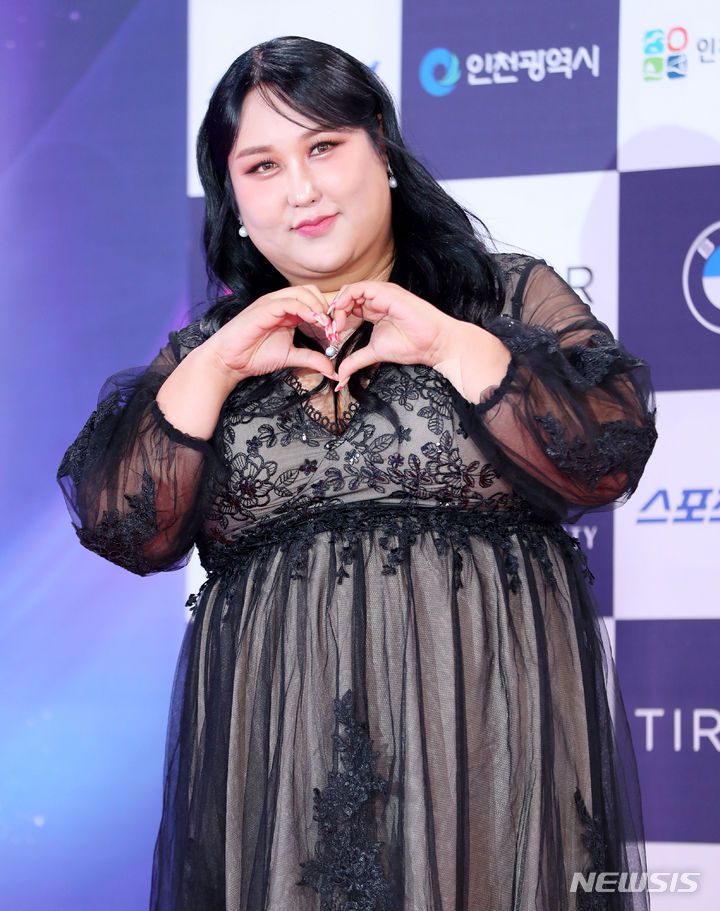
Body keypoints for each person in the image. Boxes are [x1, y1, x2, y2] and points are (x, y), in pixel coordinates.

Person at [57, 35, 658, 911]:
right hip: (281, 796)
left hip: (484, 777)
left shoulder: (502, 299)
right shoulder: (209, 352)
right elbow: (124, 529)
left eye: (324, 147)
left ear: (382, 147)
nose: (300, 189)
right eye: (261, 166)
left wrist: (449, 345)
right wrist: (218, 365)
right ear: (232, 198)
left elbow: (607, 455)